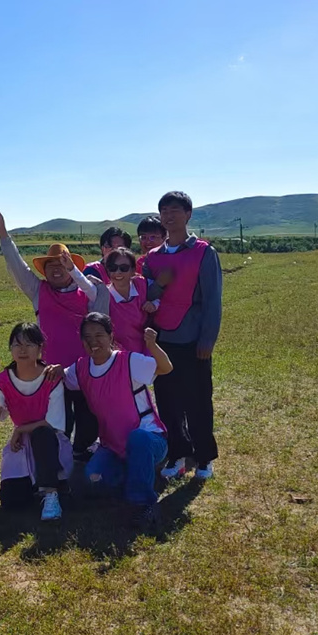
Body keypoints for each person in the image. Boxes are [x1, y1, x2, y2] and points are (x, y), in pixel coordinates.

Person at [0, 210, 107, 460]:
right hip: (51, 370)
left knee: (88, 416)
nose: (56, 270)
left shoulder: (87, 291)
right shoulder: (38, 290)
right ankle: (58, 458)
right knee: (58, 418)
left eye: (62, 265)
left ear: (72, 267)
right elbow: (16, 266)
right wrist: (3, 233)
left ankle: (82, 452)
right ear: (44, 270)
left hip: (83, 368)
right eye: (50, 265)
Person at [62, 313, 173, 528]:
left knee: (138, 438)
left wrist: (152, 345)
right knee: (93, 479)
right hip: (112, 446)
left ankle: (143, 505)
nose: (93, 342)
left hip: (150, 440)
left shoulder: (129, 361)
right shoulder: (81, 368)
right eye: (87, 337)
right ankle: (143, 477)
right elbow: (59, 379)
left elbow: (166, 367)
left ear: (111, 336)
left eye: (99, 335)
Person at [141, 191, 222, 482]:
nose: (169, 215)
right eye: (164, 211)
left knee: (198, 400)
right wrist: (158, 288)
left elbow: (213, 300)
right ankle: (177, 454)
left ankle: (204, 457)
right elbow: (146, 295)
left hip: (193, 339)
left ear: (188, 214)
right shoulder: (153, 257)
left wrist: (207, 339)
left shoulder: (203, 252)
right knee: (168, 400)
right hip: (162, 340)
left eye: (175, 210)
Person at [0, 323, 73, 521]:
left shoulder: (51, 377)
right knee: (11, 501)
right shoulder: (4, 380)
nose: (22, 350)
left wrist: (21, 429)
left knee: (42, 435)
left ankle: (50, 492)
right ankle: (38, 489)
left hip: (49, 442)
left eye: (29, 345)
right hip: (22, 444)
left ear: (40, 349)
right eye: (17, 345)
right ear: (10, 349)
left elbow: (52, 424)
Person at [98, 247, 159, 355]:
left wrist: (154, 304)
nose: (118, 272)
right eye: (113, 268)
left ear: (133, 270)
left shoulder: (141, 284)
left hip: (146, 350)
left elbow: (165, 296)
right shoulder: (104, 296)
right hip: (119, 356)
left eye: (124, 268)